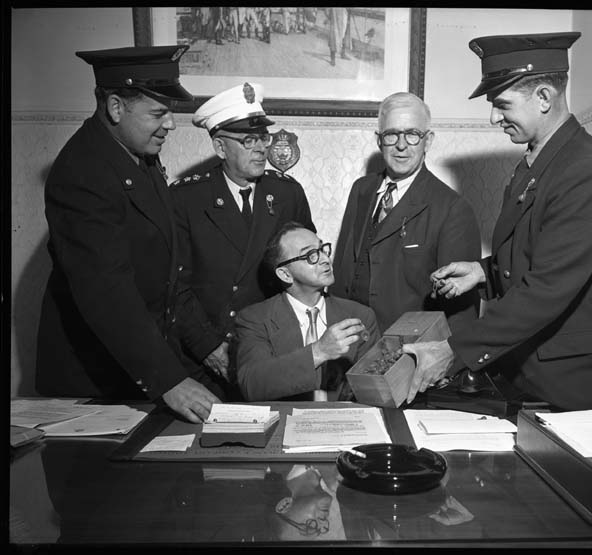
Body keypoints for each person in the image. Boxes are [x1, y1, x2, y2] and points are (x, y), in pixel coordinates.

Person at [404, 32, 592, 412]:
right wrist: (483, 273)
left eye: (502, 104)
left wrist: (453, 351)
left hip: (591, 386)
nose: (494, 117)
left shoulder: (588, 173)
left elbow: (548, 288)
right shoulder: (539, 163)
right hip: (544, 377)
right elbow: (538, 252)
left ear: (543, 97)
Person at [35, 46, 224, 423]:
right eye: (158, 113)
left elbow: (168, 273)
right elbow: (107, 291)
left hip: (142, 369)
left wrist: (209, 348)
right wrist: (169, 380)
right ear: (116, 107)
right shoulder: (83, 172)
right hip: (95, 382)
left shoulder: (139, 156)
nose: (170, 124)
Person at [171, 82, 315, 394]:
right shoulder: (186, 198)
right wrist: (209, 347)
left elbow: (308, 272)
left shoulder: (287, 193)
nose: (261, 148)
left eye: (263, 137)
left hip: (275, 352)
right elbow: (175, 286)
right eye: (249, 140)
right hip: (207, 353)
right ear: (220, 148)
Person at [330, 92, 482, 334]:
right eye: (391, 134)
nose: (401, 145)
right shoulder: (361, 189)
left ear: (427, 141)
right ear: (379, 140)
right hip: (351, 339)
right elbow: (342, 267)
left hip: (408, 347)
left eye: (412, 134)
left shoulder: (452, 209)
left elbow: (460, 312)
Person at [235, 222, 380, 401]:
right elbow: (253, 385)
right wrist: (318, 351)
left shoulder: (361, 316)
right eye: (311, 255)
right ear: (285, 274)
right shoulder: (255, 319)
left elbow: (374, 390)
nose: (325, 259)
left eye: (322, 249)